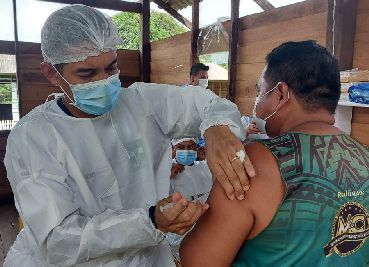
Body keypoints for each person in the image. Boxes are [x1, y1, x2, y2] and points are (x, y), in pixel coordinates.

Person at [3, 5, 255, 267]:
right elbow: (58, 241)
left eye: (111, 68)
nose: (104, 81)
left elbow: (207, 105)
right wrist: (149, 221)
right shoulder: (33, 138)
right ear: (52, 73)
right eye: (87, 74)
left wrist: (218, 127)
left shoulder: (140, 102)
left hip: (148, 258)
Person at [180, 40, 369, 266]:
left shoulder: (252, 163)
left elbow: (198, 261)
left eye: (260, 92)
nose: (257, 102)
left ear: (280, 94)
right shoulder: (364, 154)